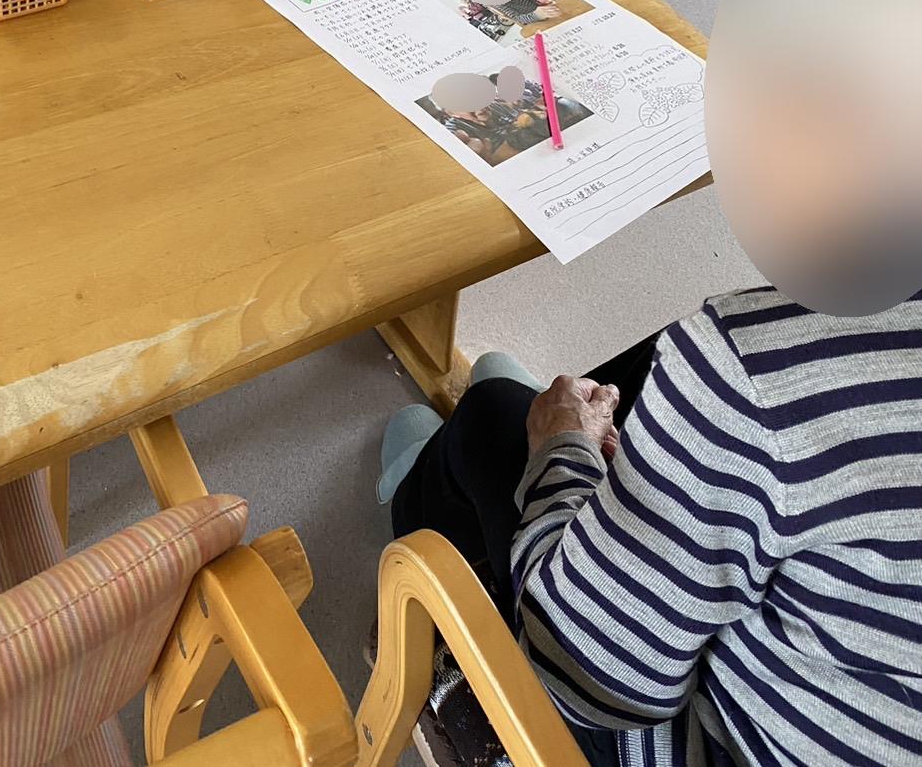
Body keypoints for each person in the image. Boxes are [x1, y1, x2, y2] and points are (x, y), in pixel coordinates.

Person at [379, 285, 922, 767]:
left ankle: (415, 505)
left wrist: (561, 447)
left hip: (675, 732)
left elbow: (586, 672)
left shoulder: (769, 359)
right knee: (658, 363)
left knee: (490, 415)